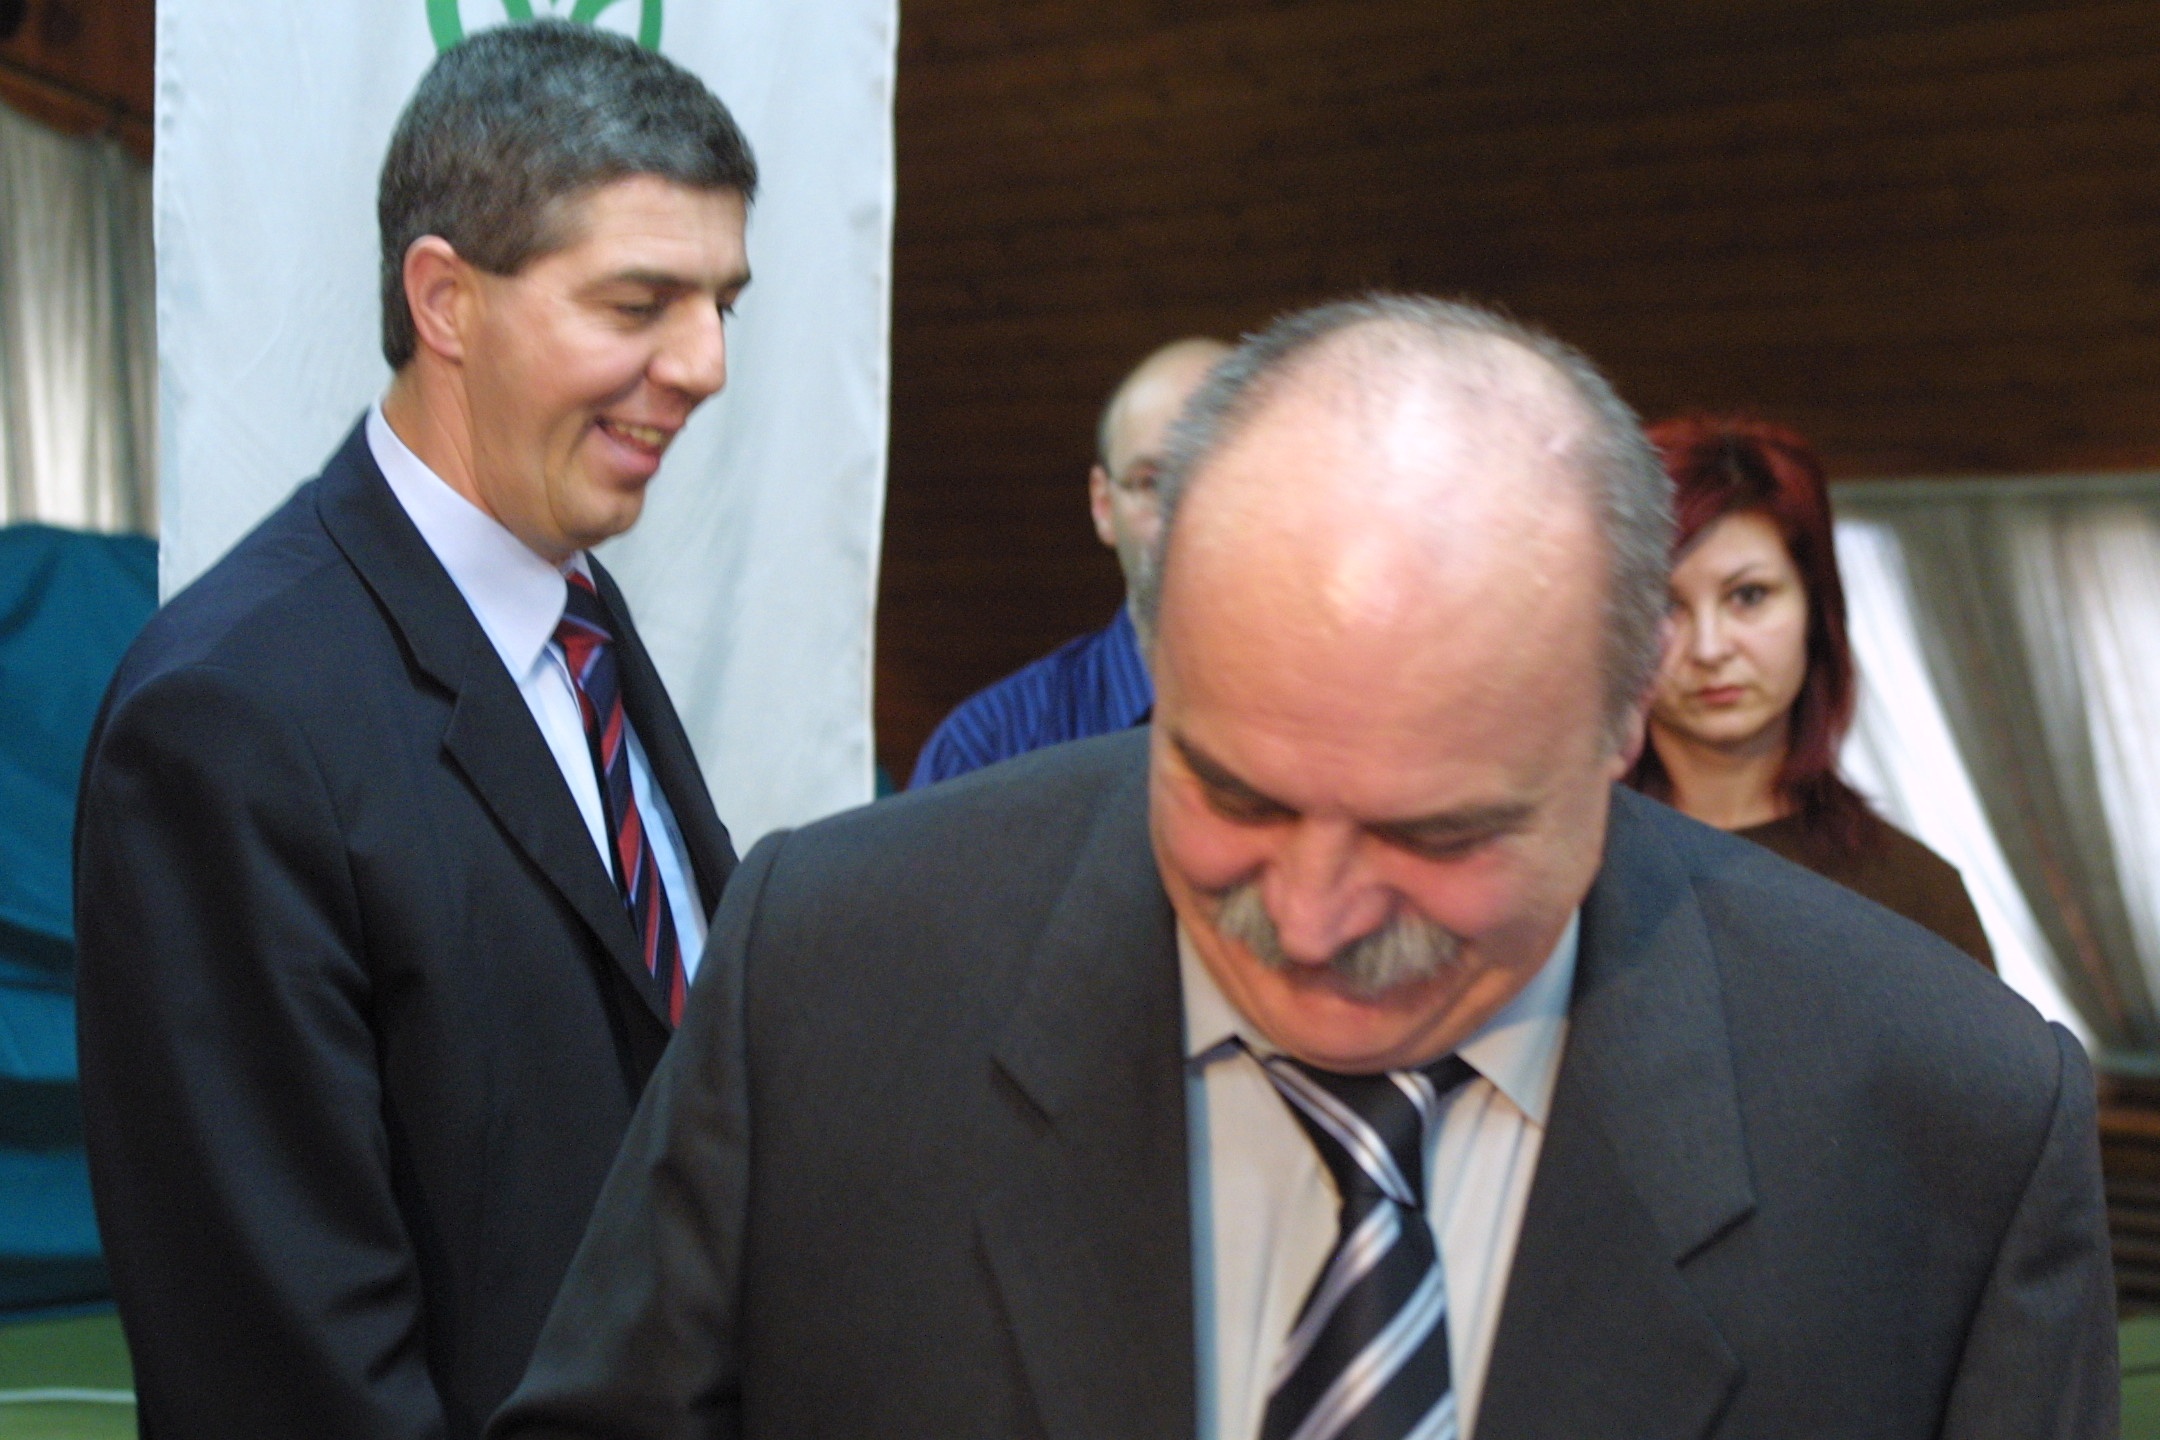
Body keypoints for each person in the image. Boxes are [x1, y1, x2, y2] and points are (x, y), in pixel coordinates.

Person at [493, 297, 2113, 1440]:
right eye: (1233, 793)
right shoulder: (835, 970)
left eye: (1438, 833)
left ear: (1625, 718)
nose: (1317, 917)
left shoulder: (1946, 1133)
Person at [73, 24, 753, 1440]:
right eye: (640, 302)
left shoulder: (577, 613)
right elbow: (281, 1376)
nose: (704, 364)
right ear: (445, 299)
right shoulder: (226, 720)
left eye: (721, 305)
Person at [1626, 415, 1994, 966]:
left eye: (1748, 596)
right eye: (1664, 605)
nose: (1709, 648)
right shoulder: (1564, 871)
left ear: (1815, 610)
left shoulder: (1913, 895)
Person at [908, 336, 1230, 787]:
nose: (1185, 514)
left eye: (1225, 474)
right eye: (1152, 482)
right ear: (1103, 506)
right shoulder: (988, 751)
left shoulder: (1336, 712)